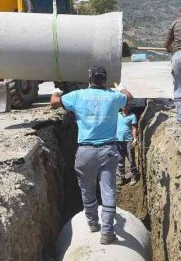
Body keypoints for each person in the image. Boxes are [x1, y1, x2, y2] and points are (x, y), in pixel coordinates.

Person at [50, 66, 132, 245]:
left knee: (87, 189)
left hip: (85, 152)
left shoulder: (78, 95)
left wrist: (56, 90)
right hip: (108, 150)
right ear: (105, 79)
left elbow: (54, 102)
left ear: (90, 78)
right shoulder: (113, 96)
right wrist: (120, 88)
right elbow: (129, 97)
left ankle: (93, 223)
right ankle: (108, 232)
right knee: (108, 190)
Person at [116, 105, 139, 185]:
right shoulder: (117, 114)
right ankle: (121, 177)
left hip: (128, 141)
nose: (125, 107)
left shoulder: (132, 116)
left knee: (131, 159)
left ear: (129, 107)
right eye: (123, 106)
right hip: (118, 141)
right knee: (120, 160)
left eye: (127, 106)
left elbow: (134, 128)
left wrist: (135, 138)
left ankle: (133, 176)